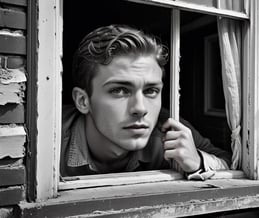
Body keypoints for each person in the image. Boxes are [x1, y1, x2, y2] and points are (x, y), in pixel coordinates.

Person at [60, 24, 230, 180]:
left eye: (151, 91)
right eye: (119, 90)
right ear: (83, 101)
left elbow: (230, 163)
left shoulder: (167, 129)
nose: (140, 109)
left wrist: (198, 161)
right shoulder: (48, 142)